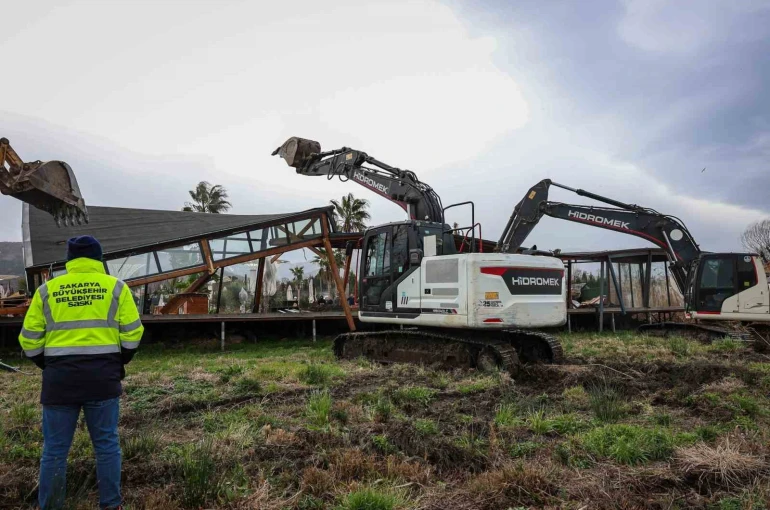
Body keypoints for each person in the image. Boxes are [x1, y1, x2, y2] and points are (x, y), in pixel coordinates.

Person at [18, 236, 144, 510]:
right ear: (99, 259)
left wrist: (48, 365)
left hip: (59, 381)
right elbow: (133, 334)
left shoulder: (47, 291)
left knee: (54, 450)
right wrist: (118, 361)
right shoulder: (116, 288)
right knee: (107, 445)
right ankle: (111, 505)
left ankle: (51, 506)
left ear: (69, 260)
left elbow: (28, 340)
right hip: (103, 379)